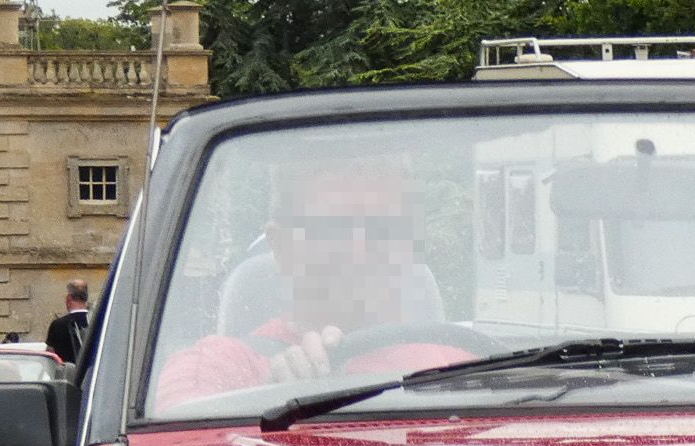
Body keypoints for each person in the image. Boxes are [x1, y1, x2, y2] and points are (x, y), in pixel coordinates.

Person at [153, 155, 464, 409]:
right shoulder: (216, 370)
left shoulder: (466, 368)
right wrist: (268, 405)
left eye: (386, 226)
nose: (365, 248)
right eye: (335, 228)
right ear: (282, 247)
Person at [45, 279, 90, 363]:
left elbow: (50, 355)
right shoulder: (97, 322)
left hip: (67, 374)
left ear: (69, 298)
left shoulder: (57, 324)